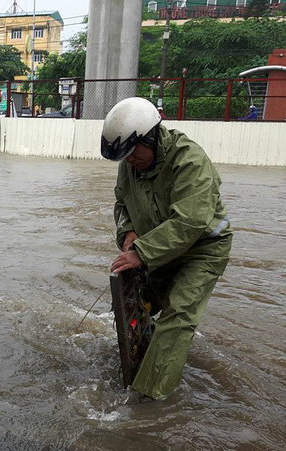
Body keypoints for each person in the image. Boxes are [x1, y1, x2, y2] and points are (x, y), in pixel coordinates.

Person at [102, 97, 233, 400]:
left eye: (133, 154)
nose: (129, 162)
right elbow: (122, 203)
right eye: (125, 158)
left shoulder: (190, 161)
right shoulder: (131, 164)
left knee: (178, 314)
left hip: (202, 249)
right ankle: (144, 357)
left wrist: (142, 253)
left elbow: (191, 222)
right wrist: (128, 231)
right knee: (134, 301)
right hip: (156, 245)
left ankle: (147, 400)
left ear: (152, 138)